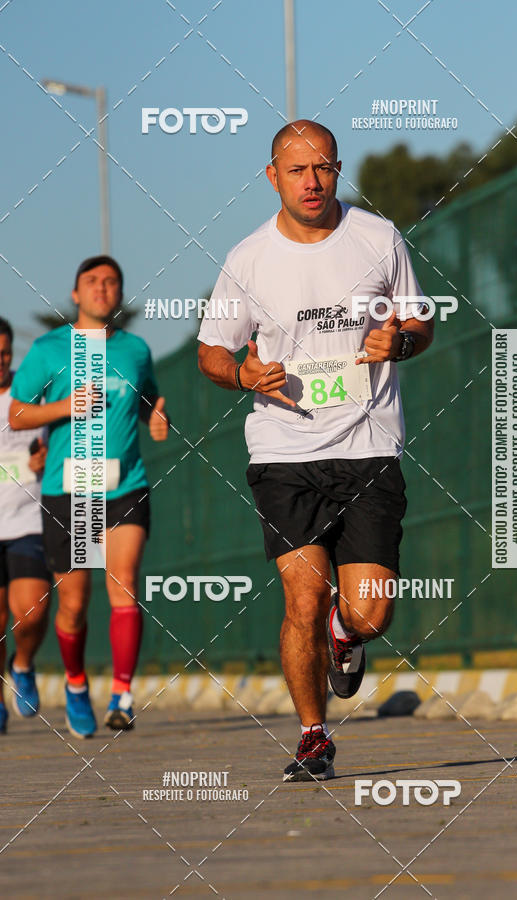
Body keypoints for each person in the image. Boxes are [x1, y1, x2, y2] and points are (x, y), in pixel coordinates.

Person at [197, 121, 434, 781]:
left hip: (368, 447)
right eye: (296, 170)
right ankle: (312, 735)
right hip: (285, 449)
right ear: (272, 176)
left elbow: (420, 320)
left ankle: (346, 633)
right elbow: (212, 350)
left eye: (323, 168)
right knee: (300, 597)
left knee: (371, 611)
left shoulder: (379, 237)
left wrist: (404, 343)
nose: (311, 181)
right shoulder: (248, 259)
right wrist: (244, 375)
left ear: (337, 170)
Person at [9, 256, 169, 738]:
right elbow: (17, 415)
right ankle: (76, 684)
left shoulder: (137, 350)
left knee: (124, 583)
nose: (103, 288)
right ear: (76, 294)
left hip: (125, 486)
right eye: (92, 282)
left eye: (112, 282)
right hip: (70, 491)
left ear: (119, 294)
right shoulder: (50, 348)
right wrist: (63, 405)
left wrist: (157, 419)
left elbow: (149, 404)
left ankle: (122, 695)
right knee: (73, 605)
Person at [0, 317, 51, 733]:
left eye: (3, 354)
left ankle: (23, 664)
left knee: (31, 612)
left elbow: (55, 441)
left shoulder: (28, 394)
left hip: (27, 518)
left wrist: (44, 458)